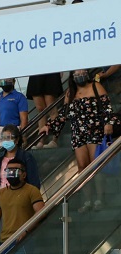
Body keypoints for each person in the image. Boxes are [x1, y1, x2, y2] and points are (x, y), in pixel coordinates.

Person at [39, 69, 119, 212]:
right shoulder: (71, 92)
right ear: (72, 75)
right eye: (76, 72)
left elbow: (107, 108)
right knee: (82, 166)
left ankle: (100, 198)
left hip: (95, 131)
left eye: (82, 71)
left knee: (97, 165)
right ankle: (88, 200)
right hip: (78, 134)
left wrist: (108, 123)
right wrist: (49, 126)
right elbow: (64, 114)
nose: (79, 74)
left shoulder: (96, 86)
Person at [0, 124, 41, 217]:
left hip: (19, 200)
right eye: (3, 138)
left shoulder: (26, 157)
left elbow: (34, 181)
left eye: (8, 138)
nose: (5, 141)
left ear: (16, 140)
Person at [0, 78, 29, 152]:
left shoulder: (19, 97)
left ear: (14, 81)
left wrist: (23, 135)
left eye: (8, 80)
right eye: (4, 80)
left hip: (12, 134)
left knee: (12, 160)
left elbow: (24, 119)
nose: (6, 82)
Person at [26, 73, 63, 148]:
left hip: (50, 72)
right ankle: (41, 140)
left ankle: (55, 139)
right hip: (36, 72)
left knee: (51, 107)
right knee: (40, 109)